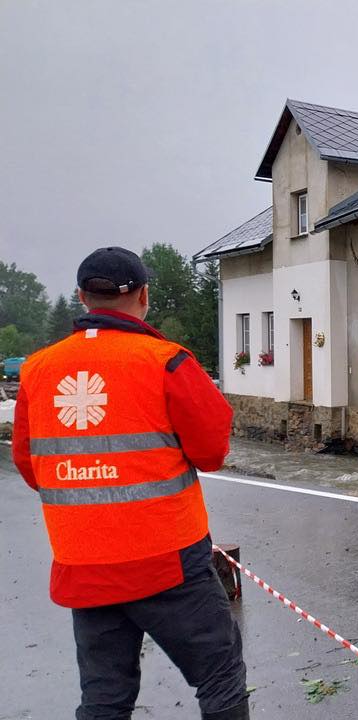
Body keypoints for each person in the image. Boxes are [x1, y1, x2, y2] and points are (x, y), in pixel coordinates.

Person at [11, 247, 248, 720]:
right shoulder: (167, 362)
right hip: (170, 563)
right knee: (220, 677)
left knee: (104, 699)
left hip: (84, 564)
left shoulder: (36, 371)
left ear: (82, 297)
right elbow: (212, 452)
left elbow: (30, 463)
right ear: (144, 296)